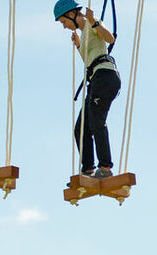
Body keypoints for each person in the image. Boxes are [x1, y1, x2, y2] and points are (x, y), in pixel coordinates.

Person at [54, 0, 120, 179]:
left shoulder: (92, 22)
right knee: (80, 128)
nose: (64, 26)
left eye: (63, 21)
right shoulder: (84, 34)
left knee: (96, 120)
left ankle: (105, 168)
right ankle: (88, 169)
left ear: (72, 14)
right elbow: (90, 60)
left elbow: (110, 39)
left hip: (105, 77)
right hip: (97, 79)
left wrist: (94, 21)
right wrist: (78, 46)